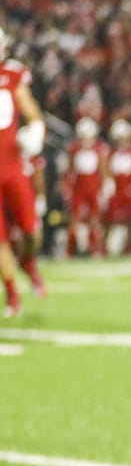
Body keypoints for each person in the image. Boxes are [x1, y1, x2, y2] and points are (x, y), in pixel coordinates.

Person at [0, 25, 48, 314]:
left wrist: (35, 132)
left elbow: (34, 115)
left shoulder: (12, 76)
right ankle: (12, 292)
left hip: (12, 163)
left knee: (32, 231)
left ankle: (28, 262)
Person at [64, 118, 106, 257]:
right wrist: (67, 188)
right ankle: (70, 250)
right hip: (79, 188)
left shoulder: (99, 149)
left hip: (93, 188)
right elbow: (69, 170)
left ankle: (95, 249)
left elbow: (103, 169)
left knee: (94, 220)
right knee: (74, 219)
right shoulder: (74, 149)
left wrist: (106, 186)